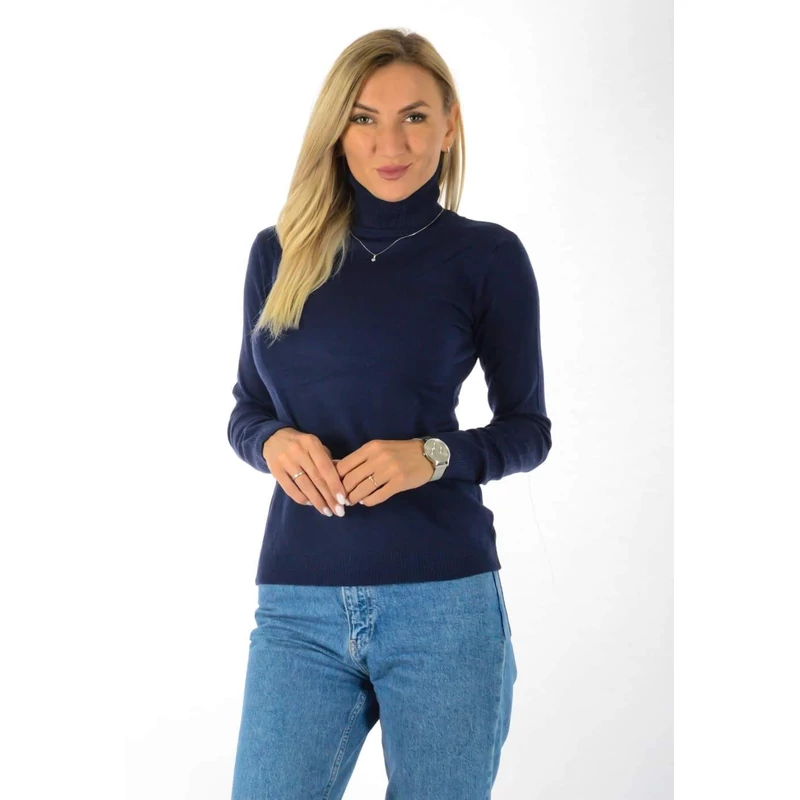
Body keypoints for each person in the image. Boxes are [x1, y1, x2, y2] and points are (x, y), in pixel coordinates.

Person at [227, 27, 552, 800]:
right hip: (298, 607)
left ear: (449, 126)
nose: (391, 143)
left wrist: (432, 456)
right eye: (365, 118)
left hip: (443, 604)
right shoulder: (279, 252)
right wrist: (272, 441)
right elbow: (247, 408)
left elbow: (528, 430)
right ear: (337, 129)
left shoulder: (487, 257)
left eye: (414, 116)